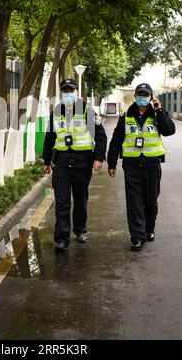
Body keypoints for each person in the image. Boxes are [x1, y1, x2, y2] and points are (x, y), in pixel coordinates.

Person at [107, 83, 176, 251]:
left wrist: (159, 111)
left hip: (152, 165)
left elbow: (169, 131)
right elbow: (116, 140)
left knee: (151, 201)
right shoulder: (126, 116)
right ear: (135, 96)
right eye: (139, 94)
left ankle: (149, 229)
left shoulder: (157, 114)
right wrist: (112, 163)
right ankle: (137, 237)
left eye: (146, 95)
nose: (142, 98)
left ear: (151, 97)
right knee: (134, 202)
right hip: (131, 166)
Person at [42, 78, 107, 252]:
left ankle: (79, 230)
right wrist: (46, 161)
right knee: (62, 202)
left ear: (77, 92)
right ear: (61, 93)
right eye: (65, 90)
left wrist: (98, 158)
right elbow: (49, 138)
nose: (68, 93)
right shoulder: (56, 113)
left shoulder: (88, 112)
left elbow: (100, 137)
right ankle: (62, 239)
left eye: (71, 90)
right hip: (62, 163)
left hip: (82, 163)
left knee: (80, 200)